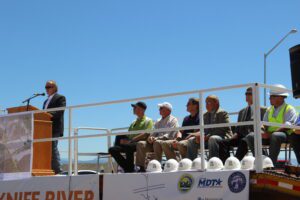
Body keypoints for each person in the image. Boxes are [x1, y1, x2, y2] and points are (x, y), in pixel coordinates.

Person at [243, 84, 298, 165]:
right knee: (250, 136)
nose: (269, 98)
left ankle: (271, 164)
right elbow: (263, 124)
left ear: (280, 97)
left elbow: (287, 126)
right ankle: (262, 160)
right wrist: (261, 131)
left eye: (272, 96)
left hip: (284, 135)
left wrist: (270, 134)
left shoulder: (289, 109)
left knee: (275, 136)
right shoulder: (269, 109)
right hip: (270, 135)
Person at [218, 87, 266, 162]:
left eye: (250, 94)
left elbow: (264, 125)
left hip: (255, 136)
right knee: (223, 142)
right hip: (241, 136)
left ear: (256, 95)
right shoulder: (242, 112)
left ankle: (235, 162)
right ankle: (226, 163)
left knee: (244, 141)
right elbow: (238, 129)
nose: (247, 95)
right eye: (246, 94)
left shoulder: (263, 110)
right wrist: (232, 137)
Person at [177, 95, 232, 160]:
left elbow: (223, 129)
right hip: (207, 138)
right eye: (205, 103)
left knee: (213, 138)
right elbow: (204, 130)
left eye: (208, 102)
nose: (206, 105)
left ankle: (213, 161)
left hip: (222, 137)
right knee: (191, 140)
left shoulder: (222, 113)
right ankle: (191, 162)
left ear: (216, 103)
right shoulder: (205, 115)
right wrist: (199, 136)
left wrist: (207, 136)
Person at [108, 102, 153, 173]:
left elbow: (146, 134)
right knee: (112, 149)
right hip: (130, 142)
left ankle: (129, 169)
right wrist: (125, 139)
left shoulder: (148, 120)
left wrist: (131, 140)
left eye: (135, 107)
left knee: (128, 146)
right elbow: (129, 134)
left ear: (142, 109)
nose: (133, 109)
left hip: (139, 143)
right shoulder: (133, 122)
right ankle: (128, 168)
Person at [136, 102, 179, 172]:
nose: (159, 110)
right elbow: (153, 132)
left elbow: (169, 135)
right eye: (160, 108)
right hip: (155, 142)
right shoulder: (158, 121)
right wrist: (150, 137)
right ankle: (141, 167)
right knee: (141, 143)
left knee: (157, 142)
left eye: (161, 108)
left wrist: (155, 138)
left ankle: (157, 166)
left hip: (167, 141)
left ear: (168, 110)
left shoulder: (173, 120)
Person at [43, 80, 66, 174]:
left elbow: (60, 111)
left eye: (49, 87)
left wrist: (46, 114)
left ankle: (58, 171)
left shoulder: (60, 98)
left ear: (55, 88)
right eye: (46, 87)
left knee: (53, 148)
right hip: (44, 128)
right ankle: (48, 170)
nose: (47, 89)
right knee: (46, 149)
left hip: (54, 127)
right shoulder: (45, 101)